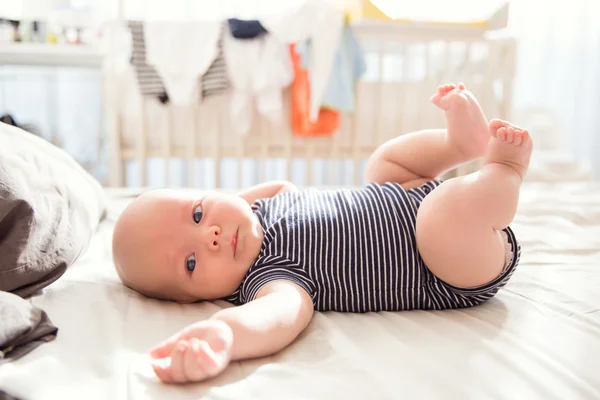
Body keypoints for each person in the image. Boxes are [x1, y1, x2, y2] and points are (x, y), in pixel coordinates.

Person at [112, 83, 532, 384]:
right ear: (197, 299)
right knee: (439, 219)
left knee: (382, 166)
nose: (212, 237)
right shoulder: (269, 280)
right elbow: (273, 321)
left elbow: (285, 189)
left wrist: (236, 202)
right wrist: (224, 334)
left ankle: (460, 145)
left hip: (412, 195)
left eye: (199, 214)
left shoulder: (260, 209)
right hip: (453, 263)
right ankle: (504, 172)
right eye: (191, 262)